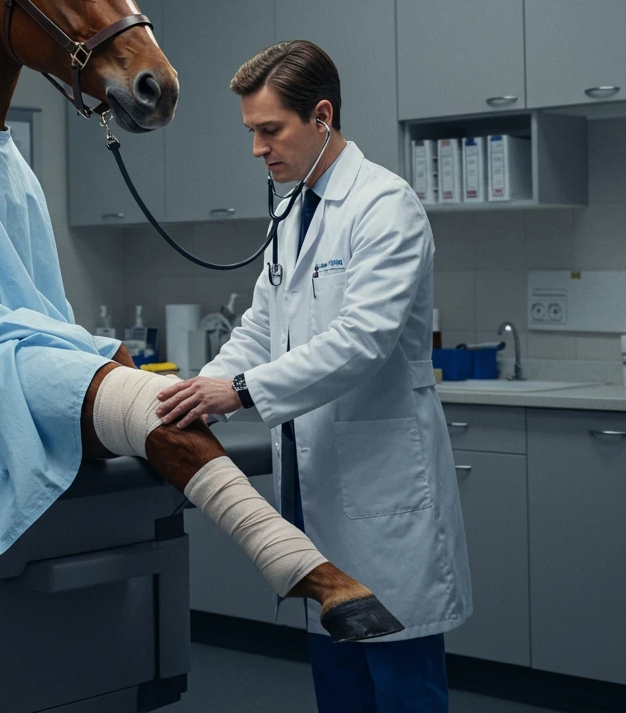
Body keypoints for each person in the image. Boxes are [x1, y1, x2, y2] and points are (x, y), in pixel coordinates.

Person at [156, 40, 472, 712]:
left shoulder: (385, 206)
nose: (257, 149)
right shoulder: (289, 209)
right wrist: (198, 392)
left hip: (383, 492)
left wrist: (239, 392)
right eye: (250, 132)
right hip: (319, 496)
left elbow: (364, 341)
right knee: (339, 687)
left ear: (321, 116)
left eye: (270, 130)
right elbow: (260, 327)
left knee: (400, 685)